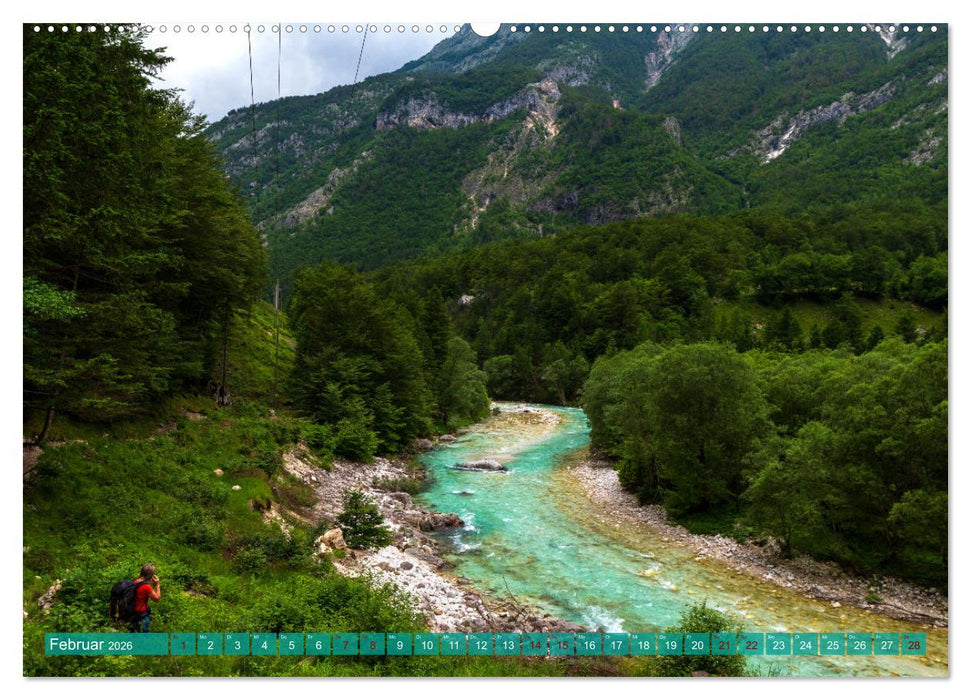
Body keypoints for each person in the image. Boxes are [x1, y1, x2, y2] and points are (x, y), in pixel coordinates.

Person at [131, 564, 161, 633]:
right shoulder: (146, 587)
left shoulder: (135, 581)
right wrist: (157, 585)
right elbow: (157, 599)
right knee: (144, 634)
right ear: (151, 575)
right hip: (141, 614)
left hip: (132, 612)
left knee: (134, 633)